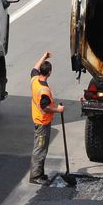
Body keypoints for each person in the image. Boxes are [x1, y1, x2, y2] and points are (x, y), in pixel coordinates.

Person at [29, 51, 64, 185]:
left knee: (42, 148)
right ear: (49, 72)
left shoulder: (34, 80)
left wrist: (44, 56)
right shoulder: (44, 90)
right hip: (42, 122)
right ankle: (35, 176)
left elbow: (34, 69)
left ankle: (40, 173)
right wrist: (58, 109)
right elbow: (45, 107)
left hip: (39, 120)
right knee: (40, 148)